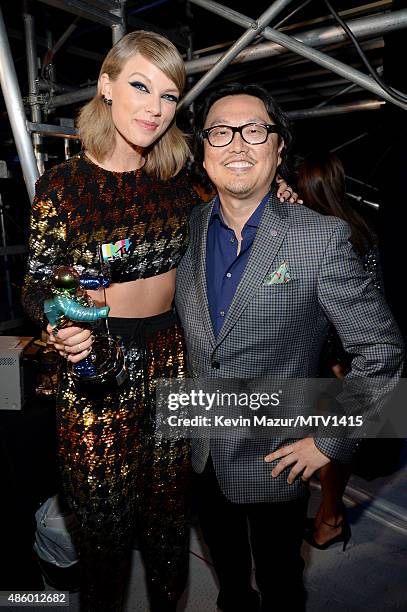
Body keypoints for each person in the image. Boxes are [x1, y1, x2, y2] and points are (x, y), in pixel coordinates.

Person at [21, 33, 297, 611]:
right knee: (103, 534)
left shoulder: (179, 180)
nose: (154, 107)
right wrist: (61, 321)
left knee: (171, 525)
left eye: (169, 96)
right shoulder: (63, 186)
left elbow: (244, 198)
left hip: (174, 358)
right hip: (94, 370)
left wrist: (284, 195)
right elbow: (39, 282)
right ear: (106, 86)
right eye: (140, 87)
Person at [175, 83, 404, 612]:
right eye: (220, 132)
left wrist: (329, 443)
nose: (236, 143)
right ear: (204, 152)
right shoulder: (184, 230)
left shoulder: (319, 238)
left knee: (280, 583)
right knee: (230, 583)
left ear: (279, 149)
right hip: (201, 448)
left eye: (254, 130)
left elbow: (382, 352)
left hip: (277, 456)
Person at [297, 151, 382, 549]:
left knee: (332, 443)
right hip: (349, 357)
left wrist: (339, 363)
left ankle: (330, 519)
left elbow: (345, 308)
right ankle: (329, 515)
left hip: (338, 360)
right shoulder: (361, 228)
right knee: (338, 440)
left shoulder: (330, 235)